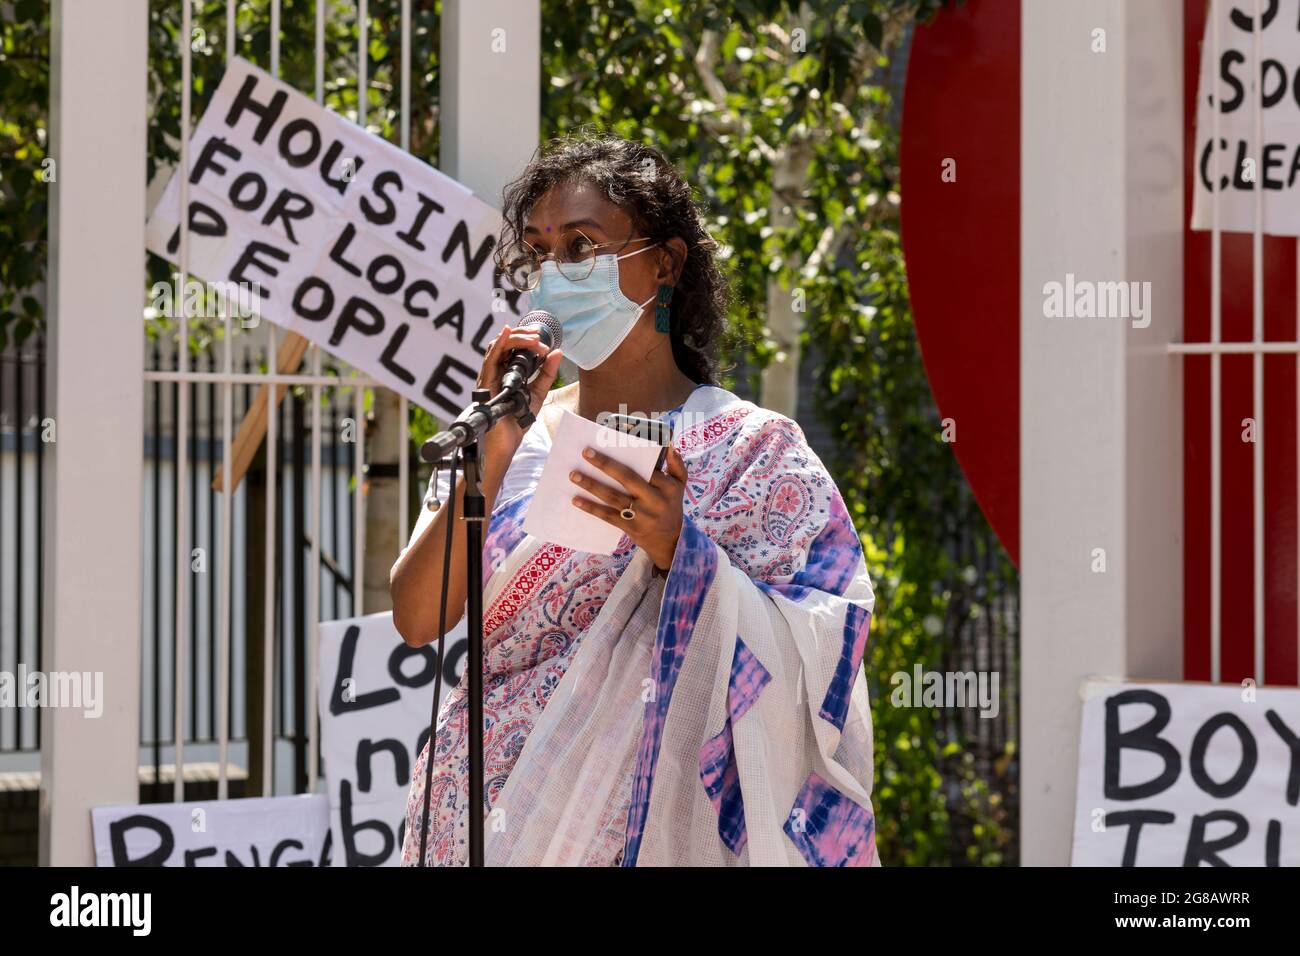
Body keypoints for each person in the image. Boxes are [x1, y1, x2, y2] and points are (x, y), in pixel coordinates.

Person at [390, 133, 878, 867]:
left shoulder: (753, 449)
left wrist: (680, 554)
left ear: (666, 263)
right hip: (480, 821)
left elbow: (819, 645)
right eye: (540, 251)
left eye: (583, 247)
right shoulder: (504, 435)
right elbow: (418, 617)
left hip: (647, 833)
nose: (556, 273)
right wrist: (491, 452)